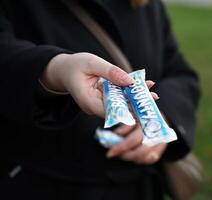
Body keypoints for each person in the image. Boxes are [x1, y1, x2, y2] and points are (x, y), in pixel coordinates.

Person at [0, 0, 201, 199]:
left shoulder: (149, 5)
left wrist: (160, 118)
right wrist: (54, 70)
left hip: (140, 185)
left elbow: (179, 72)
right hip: (40, 183)